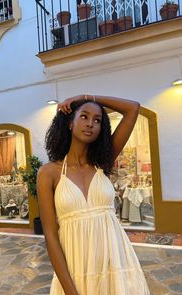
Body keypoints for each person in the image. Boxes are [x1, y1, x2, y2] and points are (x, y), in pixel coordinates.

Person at [37, 94, 150, 295]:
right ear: (70, 123)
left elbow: (133, 108)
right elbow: (51, 236)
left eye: (97, 120)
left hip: (115, 262)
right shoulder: (49, 172)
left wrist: (87, 96)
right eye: (84, 116)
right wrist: (70, 291)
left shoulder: (102, 163)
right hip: (76, 267)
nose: (90, 124)